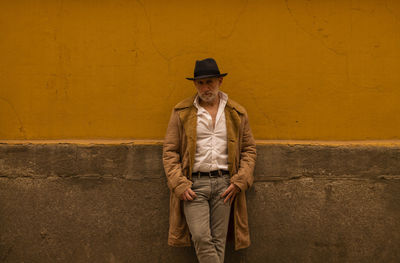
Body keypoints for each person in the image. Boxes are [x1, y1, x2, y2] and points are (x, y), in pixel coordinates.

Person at [162, 58, 256, 263]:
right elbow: (170, 152)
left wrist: (240, 180)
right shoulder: (182, 112)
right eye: (200, 83)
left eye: (210, 82)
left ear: (220, 81)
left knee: (218, 241)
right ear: (195, 84)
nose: (205, 87)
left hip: (225, 184)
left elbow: (249, 149)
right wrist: (179, 183)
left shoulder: (236, 112)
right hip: (194, 185)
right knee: (202, 237)